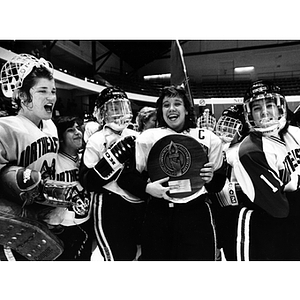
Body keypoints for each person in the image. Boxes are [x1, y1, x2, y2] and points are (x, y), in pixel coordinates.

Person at [117, 85, 226, 260]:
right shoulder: (147, 138)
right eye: (166, 105)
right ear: (161, 110)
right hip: (159, 214)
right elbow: (126, 177)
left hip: (195, 213)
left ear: (186, 109)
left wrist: (211, 178)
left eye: (177, 103)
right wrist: (147, 188)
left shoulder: (209, 138)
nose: (172, 108)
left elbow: (218, 184)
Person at [0, 53, 66, 260]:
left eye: (53, 91)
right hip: (16, 227)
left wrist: (58, 205)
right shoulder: (6, 127)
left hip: (42, 221)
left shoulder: (51, 126)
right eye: (43, 91)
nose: (51, 97)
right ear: (22, 95)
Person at [228, 80, 300, 260]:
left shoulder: (295, 133)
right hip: (267, 225)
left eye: (269, 105)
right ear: (249, 113)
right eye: (257, 108)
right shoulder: (249, 151)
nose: (265, 112)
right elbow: (279, 208)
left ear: (280, 107)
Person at [79, 86, 144, 261]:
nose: (118, 113)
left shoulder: (137, 135)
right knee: (116, 257)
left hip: (138, 204)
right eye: (112, 108)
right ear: (102, 113)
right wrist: (112, 159)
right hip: (110, 204)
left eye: (121, 107)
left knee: (139, 255)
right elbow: (88, 181)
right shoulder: (96, 140)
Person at [52, 116, 95, 260]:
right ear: (61, 138)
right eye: (71, 130)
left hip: (87, 220)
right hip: (64, 226)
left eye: (78, 128)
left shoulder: (87, 157)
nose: (78, 132)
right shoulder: (53, 160)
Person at [211, 104, 249, 260]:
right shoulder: (223, 146)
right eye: (225, 123)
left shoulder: (245, 147)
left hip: (236, 206)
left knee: (237, 250)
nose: (227, 128)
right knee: (224, 245)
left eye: (232, 125)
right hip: (220, 206)